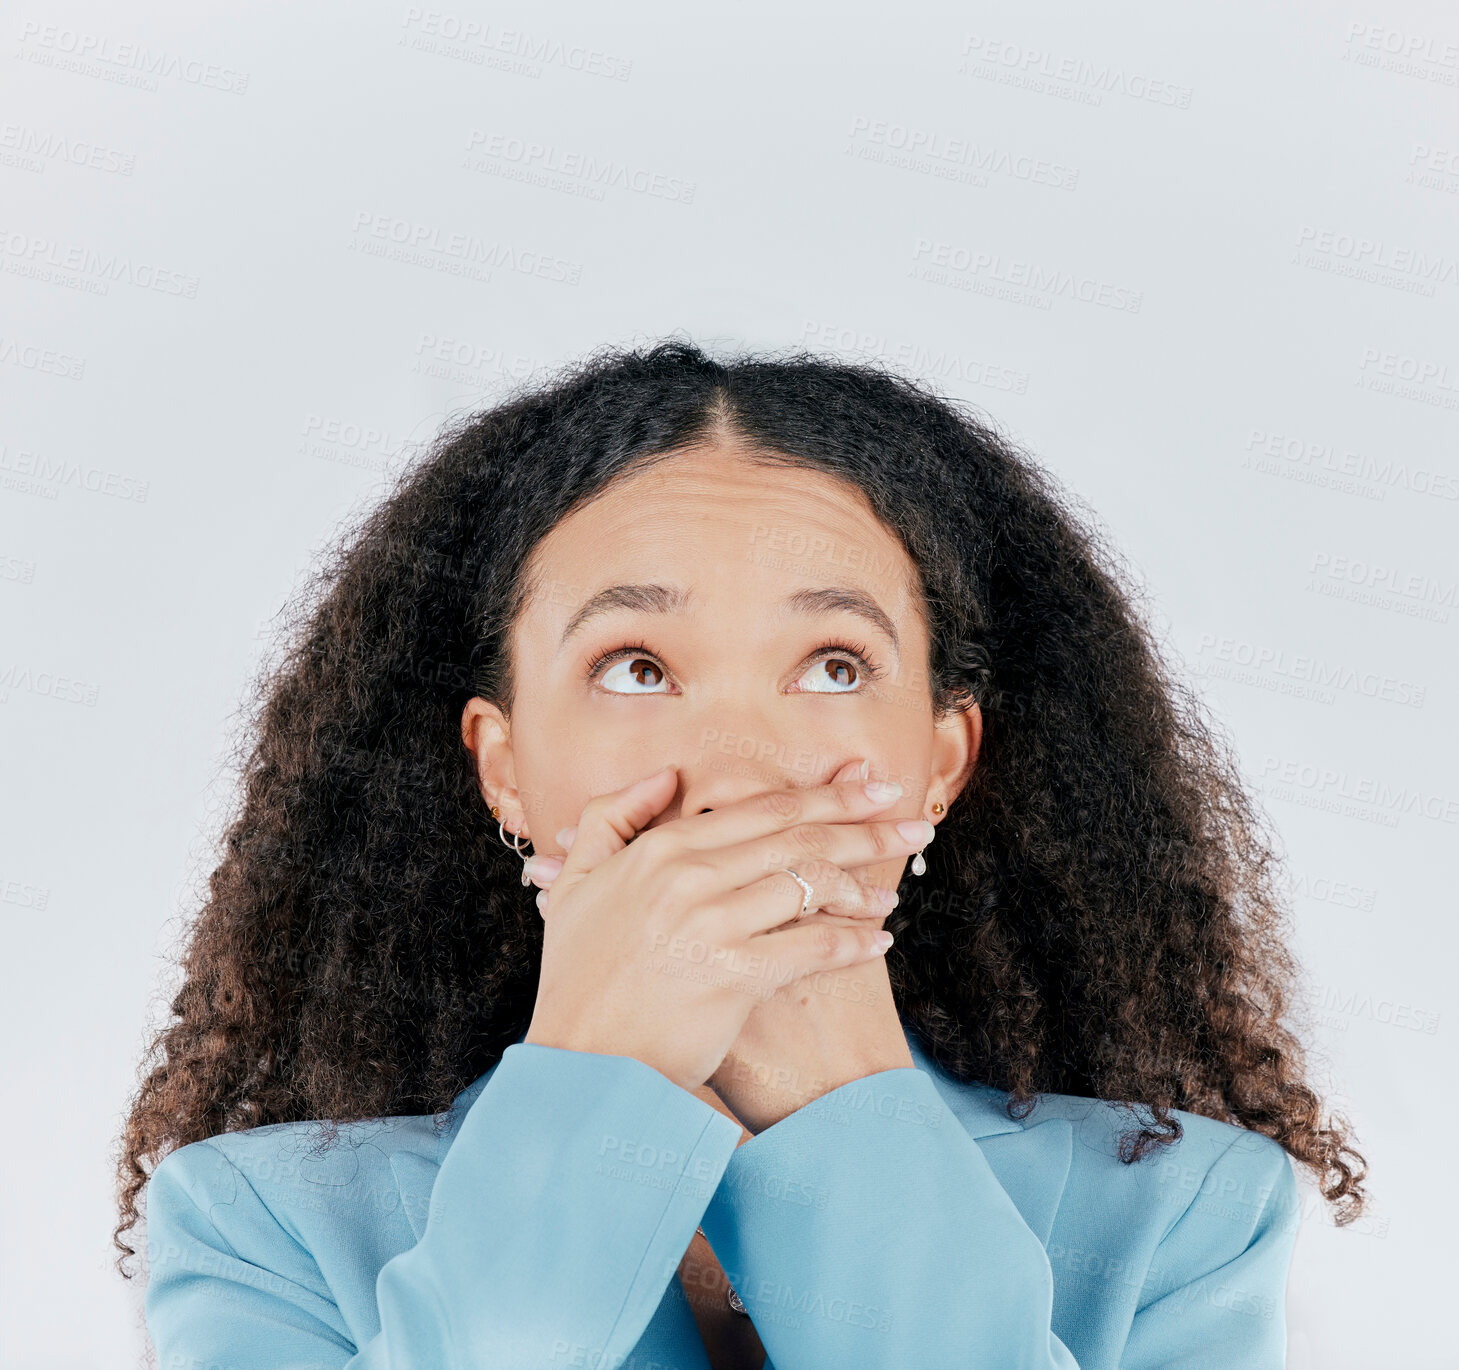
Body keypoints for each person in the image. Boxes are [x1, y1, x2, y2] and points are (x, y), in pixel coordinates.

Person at [119, 338, 1367, 1369]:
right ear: (504, 764)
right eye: (636, 666)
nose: (733, 764)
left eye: (833, 666)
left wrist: (845, 1108)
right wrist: (602, 1066)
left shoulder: (1179, 1213)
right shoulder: (256, 1223)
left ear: (942, 760)